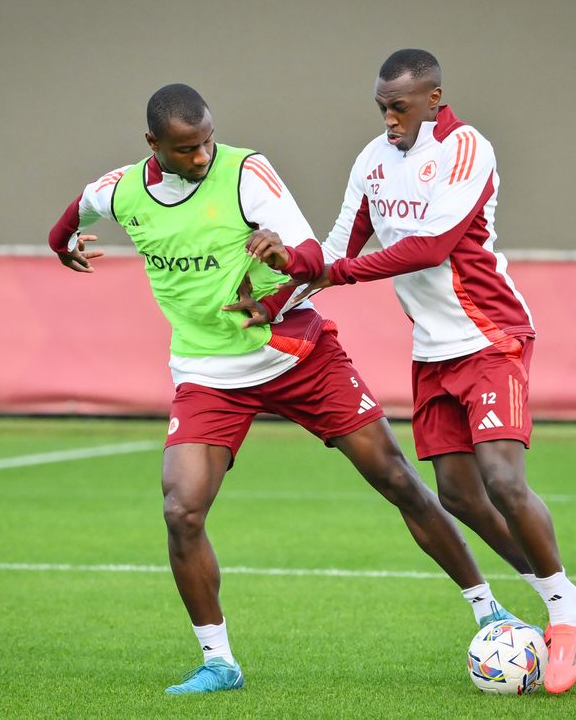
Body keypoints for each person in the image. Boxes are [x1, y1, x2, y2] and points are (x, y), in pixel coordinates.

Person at [47, 83, 517, 695]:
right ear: (152, 145)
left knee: (396, 478)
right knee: (181, 509)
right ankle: (219, 661)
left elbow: (310, 252)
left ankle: (489, 608)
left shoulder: (246, 172)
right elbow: (71, 217)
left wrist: (282, 261)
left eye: (208, 140)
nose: (202, 157)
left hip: (295, 352)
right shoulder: (121, 191)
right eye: (187, 150)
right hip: (208, 373)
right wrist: (63, 248)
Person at [247, 50, 576, 694]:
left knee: (501, 478)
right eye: (381, 105)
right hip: (433, 352)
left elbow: (431, 246)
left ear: (434, 97)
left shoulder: (469, 149)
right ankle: (571, 595)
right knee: (460, 496)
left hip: (491, 337)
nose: (388, 117)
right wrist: (281, 293)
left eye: (400, 106)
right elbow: (335, 249)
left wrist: (332, 273)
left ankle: (563, 614)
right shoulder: (372, 161)